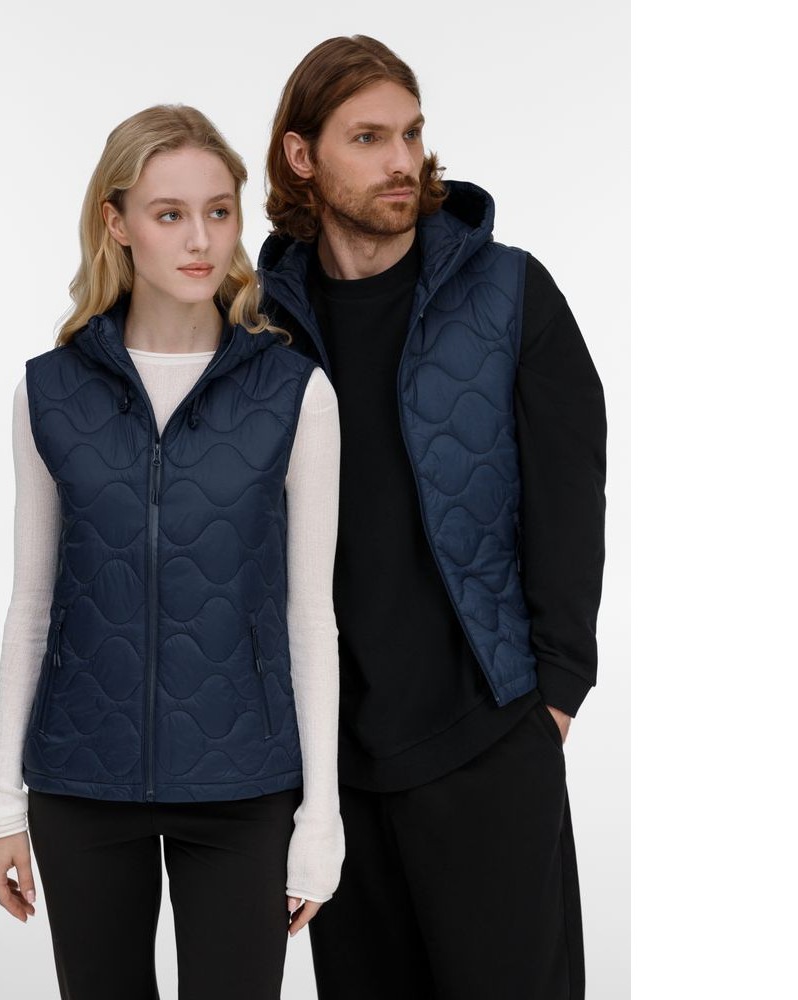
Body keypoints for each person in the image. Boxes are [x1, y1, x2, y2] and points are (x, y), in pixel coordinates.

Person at [258, 36, 606, 1000]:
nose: (401, 160)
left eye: (410, 134)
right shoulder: (262, 330)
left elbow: (571, 493)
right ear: (302, 157)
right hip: (335, 765)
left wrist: (554, 695)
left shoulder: (510, 293)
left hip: (488, 737)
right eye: (368, 138)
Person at [0, 105, 344, 1000]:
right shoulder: (49, 392)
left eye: (219, 211)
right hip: (81, 782)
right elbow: (32, 605)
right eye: (169, 213)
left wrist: (321, 816)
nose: (200, 239)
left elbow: (310, 617)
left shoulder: (295, 393)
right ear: (117, 222)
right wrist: (1, 804)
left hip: (245, 783)